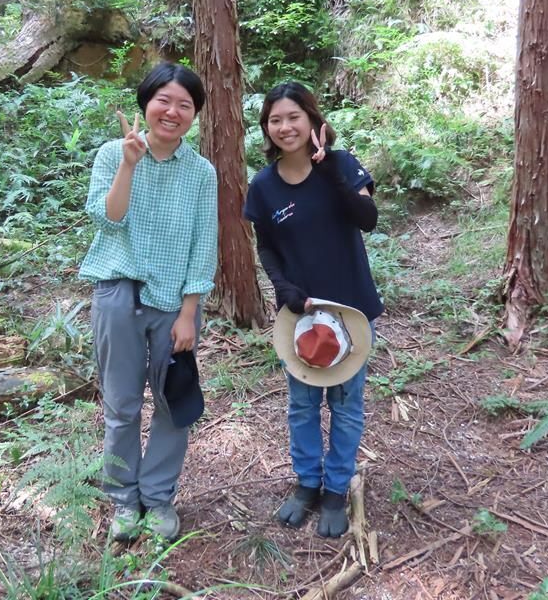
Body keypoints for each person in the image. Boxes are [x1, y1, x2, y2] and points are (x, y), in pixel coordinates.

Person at [80, 62, 217, 542]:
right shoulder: (110, 155)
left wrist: (188, 313)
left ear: (195, 114)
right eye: (164, 100)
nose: (173, 112)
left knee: (170, 403)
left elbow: (205, 243)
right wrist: (128, 164)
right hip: (118, 293)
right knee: (120, 406)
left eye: (185, 104)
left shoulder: (201, 172)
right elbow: (109, 218)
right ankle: (123, 498)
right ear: (146, 103)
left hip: (174, 303)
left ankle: (158, 498)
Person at [243, 81, 382, 539]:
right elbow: (267, 247)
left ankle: (336, 489)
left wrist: (330, 172)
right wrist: (282, 288)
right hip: (300, 316)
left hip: (351, 311)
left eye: (293, 117)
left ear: (311, 120)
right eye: (275, 120)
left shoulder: (340, 165)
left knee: (345, 404)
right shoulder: (264, 186)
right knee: (302, 405)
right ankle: (306, 483)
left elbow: (368, 219)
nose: (285, 127)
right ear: (266, 128)